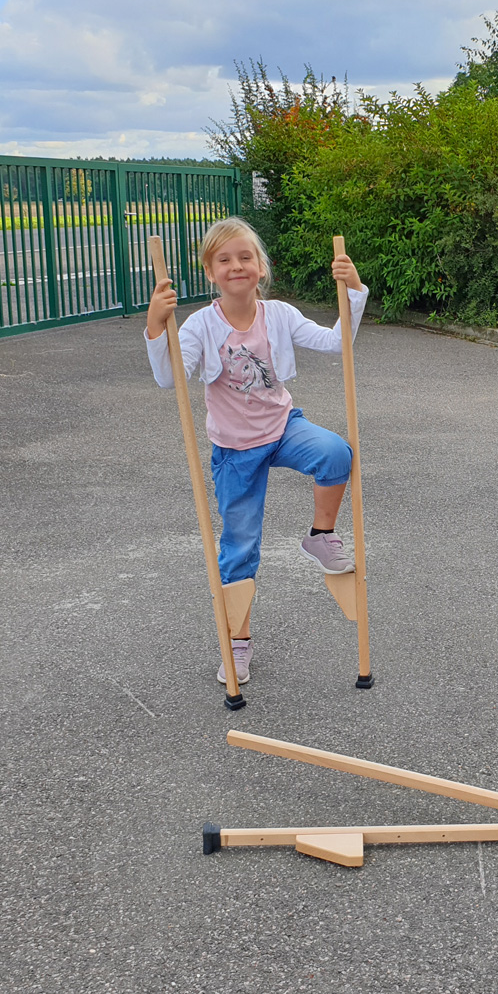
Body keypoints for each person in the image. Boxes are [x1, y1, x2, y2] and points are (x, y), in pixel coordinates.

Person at [144, 216, 368, 686]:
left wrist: (353, 290)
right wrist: (155, 324)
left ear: (260, 266)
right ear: (210, 272)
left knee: (336, 453)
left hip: (283, 425)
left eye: (246, 256)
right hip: (235, 448)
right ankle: (237, 646)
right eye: (224, 259)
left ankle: (320, 535)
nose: (236, 265)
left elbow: (335, 342)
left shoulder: (280, 314)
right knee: (239, 551)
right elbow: (171, 379)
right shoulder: (200, 326)